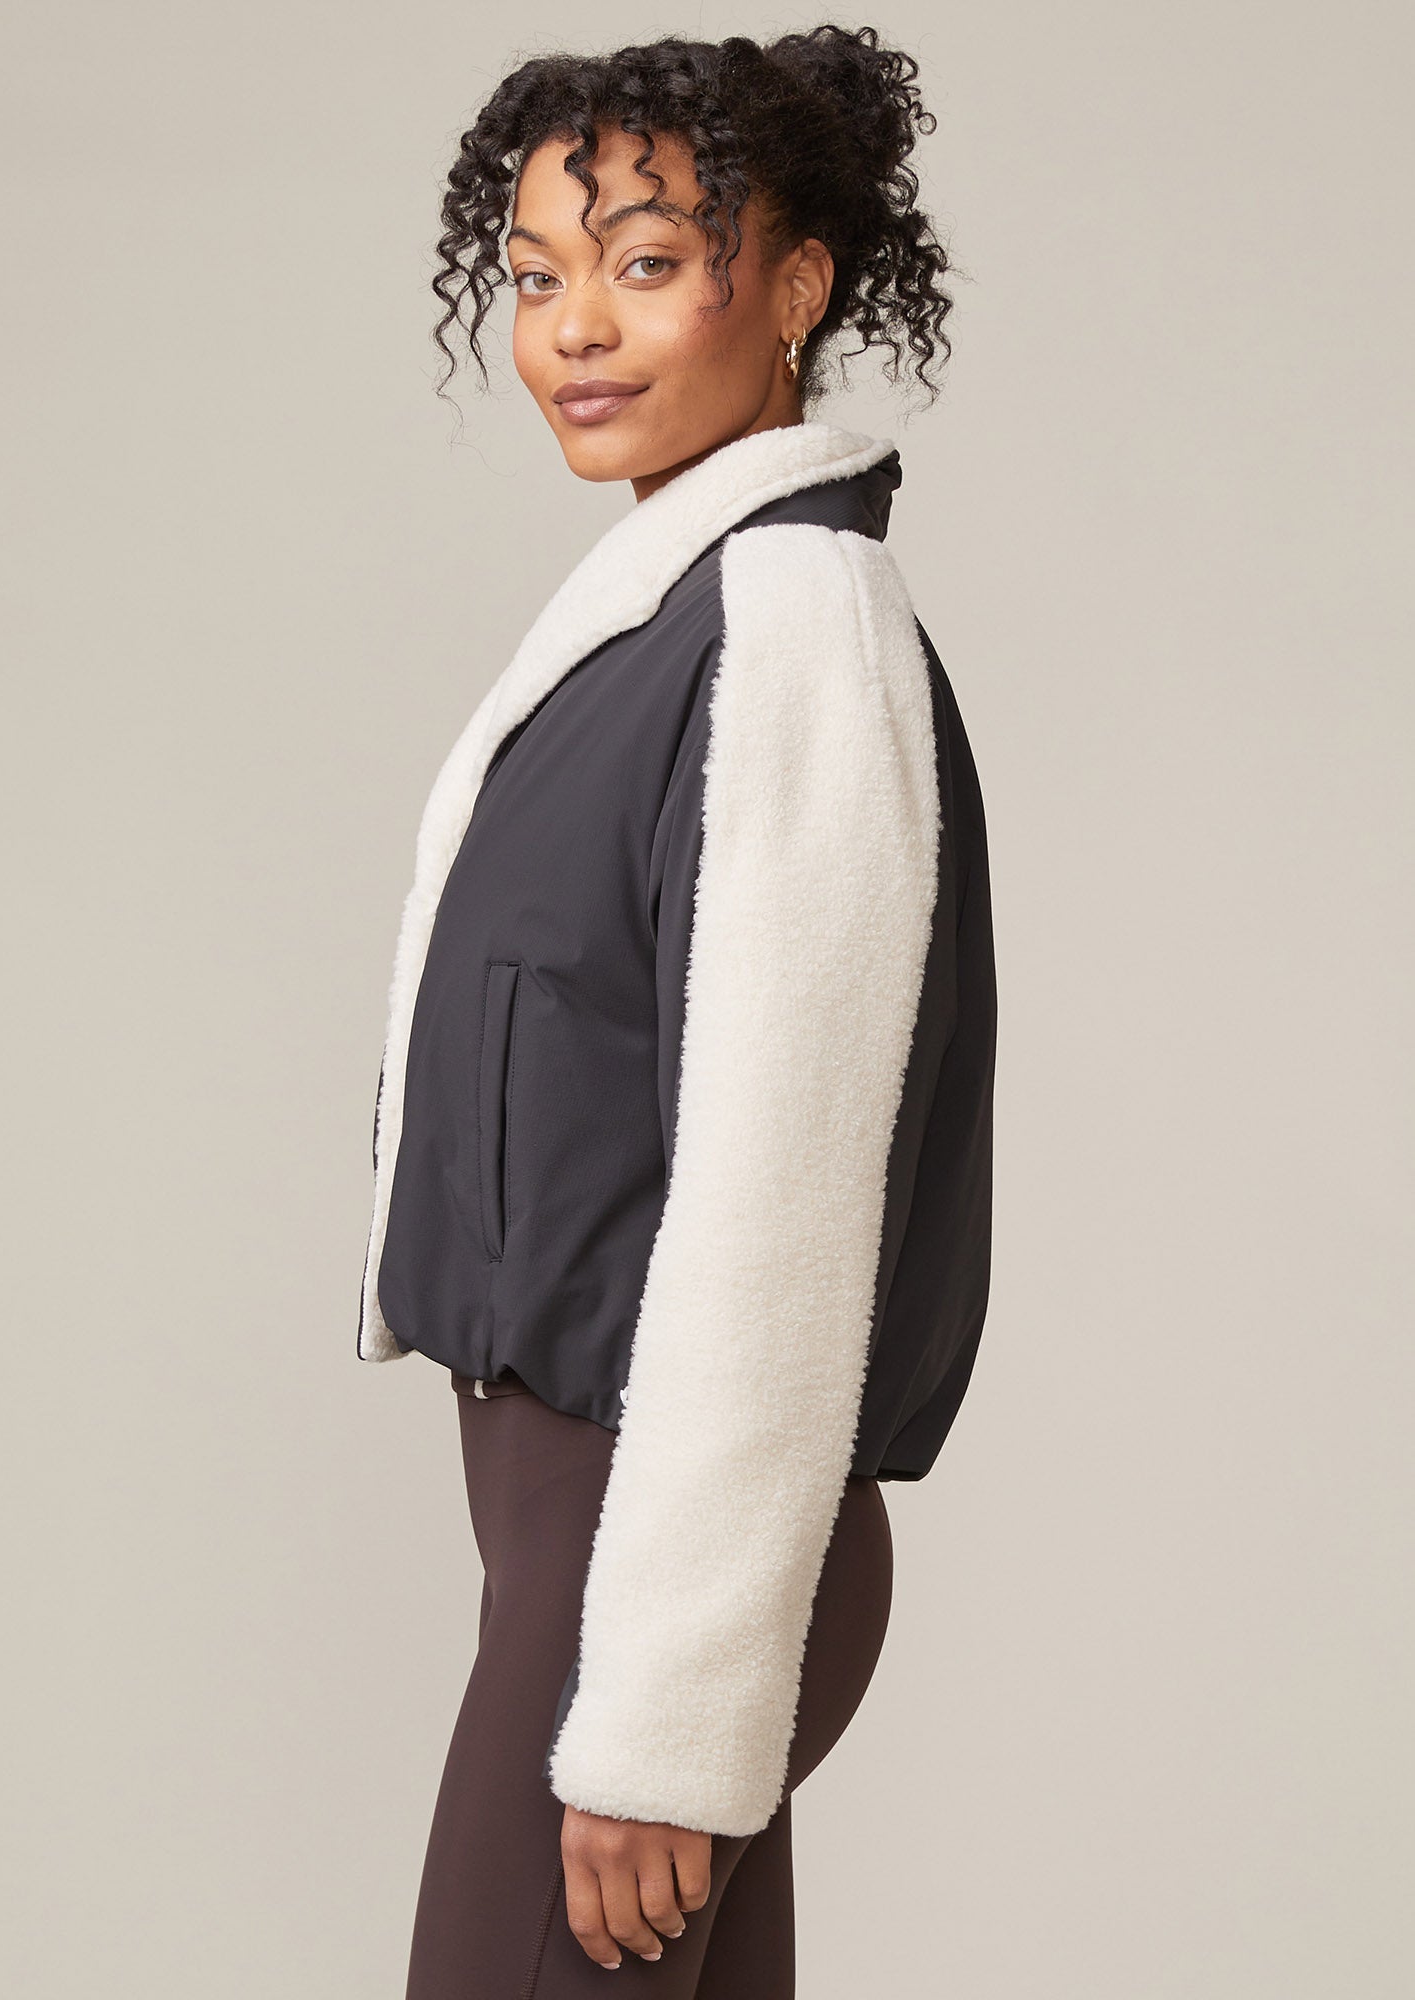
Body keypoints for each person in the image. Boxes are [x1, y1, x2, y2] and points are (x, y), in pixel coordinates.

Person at [355, 25, 998, 1996]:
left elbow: (780, 1196)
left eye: (645, 263)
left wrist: (665, 1713)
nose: (574, 328)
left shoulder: (789, 622)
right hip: (601, 1544)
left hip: (655, 1562)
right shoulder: (667, 613)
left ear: (796, 287)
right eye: (538, 275)